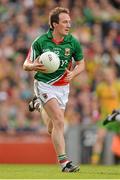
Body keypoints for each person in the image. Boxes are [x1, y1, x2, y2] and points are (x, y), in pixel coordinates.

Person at [23, 7, 85, 172]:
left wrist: (74, 73)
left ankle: (37, 105)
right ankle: (64, 163)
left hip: (63, 87)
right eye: (65, 22)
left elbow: (81, 64)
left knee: (51, 127)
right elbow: (26, 64)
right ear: (54, 24)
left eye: (69, 22)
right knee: (59, 120)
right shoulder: (41, 41)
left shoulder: (73, 42)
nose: (68, 25)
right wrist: (32, 66)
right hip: (44, 84)